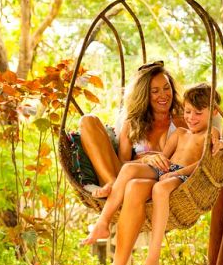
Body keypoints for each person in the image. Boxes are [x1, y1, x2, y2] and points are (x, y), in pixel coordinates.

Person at [96, 83, 223, 265]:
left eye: (198, 113)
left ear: (213, 112)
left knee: (160, 189)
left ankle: (153, 254)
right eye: (187, 112)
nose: (191, 118)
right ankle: (102, 223)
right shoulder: (180, 133)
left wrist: (217, 147)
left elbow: (205, 163)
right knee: (129, 173)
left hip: (183, 179)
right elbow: (162, 158)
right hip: (166, 170)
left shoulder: (211, 135)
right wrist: (150, 161)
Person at [78, 61, 185, 244]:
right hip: (122, 177)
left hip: (152, 181)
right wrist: (145, 160)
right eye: (155, 91)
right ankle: (112, 185)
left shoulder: (181, 122)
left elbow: (196, 145)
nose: (163, 95)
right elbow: (123, 164)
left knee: (131, 178)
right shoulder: (132, 123)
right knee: (88, 120)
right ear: (145, 94)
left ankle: (112, 192)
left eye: (167, 88)